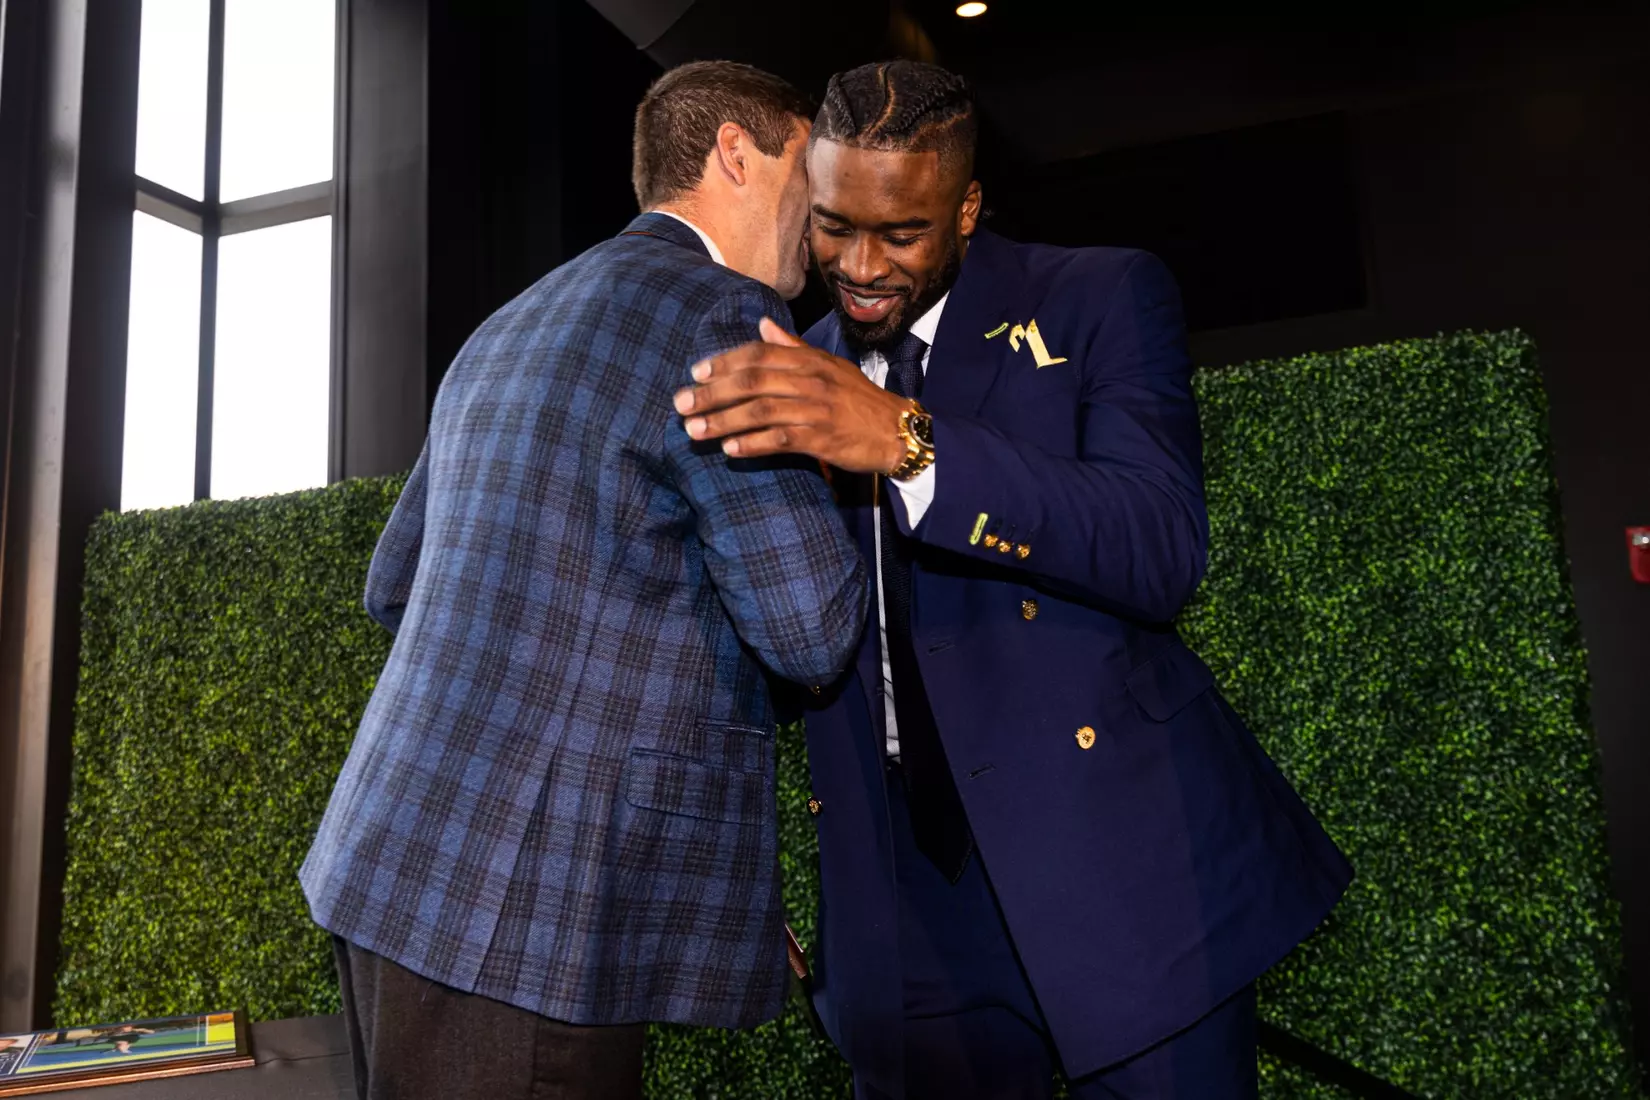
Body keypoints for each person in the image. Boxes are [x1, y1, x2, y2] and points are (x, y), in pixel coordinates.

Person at [673, 60, 1354, 1099]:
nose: (858, 265)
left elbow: (1159, 544)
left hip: (1114, 864)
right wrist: (733, 858)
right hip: (901, 895)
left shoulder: (1096, 297)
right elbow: (749, 632)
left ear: (969, 208)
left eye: (899, 233)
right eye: (832, 224)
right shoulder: (789, 361)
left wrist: (909, 443)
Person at [300, 61, 868, 1100]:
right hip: (531, 921)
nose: (825, 214)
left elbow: (394, 583)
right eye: (808, 171)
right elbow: (811, 626)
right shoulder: (727, 320)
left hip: (389, 865)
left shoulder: (511, 321)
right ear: (736, 154)